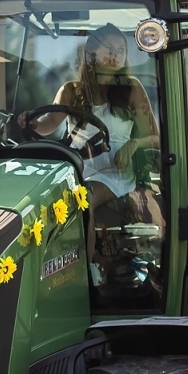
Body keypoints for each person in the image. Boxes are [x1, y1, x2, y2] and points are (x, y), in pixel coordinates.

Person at [20, 23, 163, 226]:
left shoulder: (132, 88)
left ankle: (87, 248)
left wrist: (133, 144)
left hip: (114, 172)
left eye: (121, 50)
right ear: (91, 53)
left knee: (83, 198)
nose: (115, 55)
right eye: (109, 48)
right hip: (76, 168)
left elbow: (155, 138)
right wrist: (34, 124)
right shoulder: (71, 90)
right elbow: (49, 123)